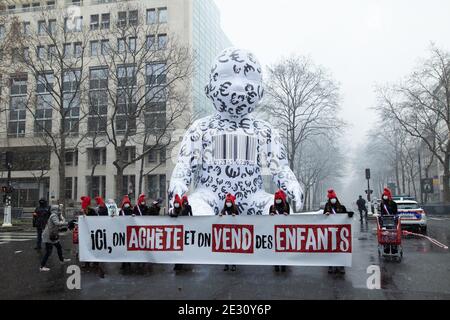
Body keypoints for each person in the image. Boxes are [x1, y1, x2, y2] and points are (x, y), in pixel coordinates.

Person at [323, 189, 348, 275]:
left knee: (340, 249)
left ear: (336, 199)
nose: (332, 200)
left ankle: (341, 266)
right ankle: (330, 265)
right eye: (331, 198)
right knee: (330, 249)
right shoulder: (327, 206)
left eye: (333, 198)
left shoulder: (341, 207)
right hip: (330, 232)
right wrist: (325, 214)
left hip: (340, 232)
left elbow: (346, 216)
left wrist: (349, 214)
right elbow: (322, 218)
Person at [39, 205, 71, 271]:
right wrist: (67, 223)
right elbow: (57, 223)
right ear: (55, 209)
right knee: (48, 252)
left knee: (59, 247)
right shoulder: (53, 215)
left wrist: (62, 218)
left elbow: (60, 223)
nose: (60, 210)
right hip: (49, 236)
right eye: (58, 209)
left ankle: (62, 260)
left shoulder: (57, 215)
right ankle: (42, 266)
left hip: (53, 235)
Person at [269, 190, 290, 272]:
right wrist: (271, 215)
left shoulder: (286, 206)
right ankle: (276, 264)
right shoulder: (272, 207)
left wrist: (286, 215)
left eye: (279, 199)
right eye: (276, 199)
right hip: (274, 231)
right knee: (275, 249)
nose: (278, 200)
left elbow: (289, 217)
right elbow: (268, 219)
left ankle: (284, 263)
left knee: (283, 248)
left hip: (284, 231)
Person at [219, 194, 239, 272]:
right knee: (226, 250)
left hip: (233, 232)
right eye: (227, 202)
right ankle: (226, 264)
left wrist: (235, 216)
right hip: (226, 232)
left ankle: (234, 264)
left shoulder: (235, 210)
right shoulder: (223, 210)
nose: (228, 203)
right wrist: (220, 216)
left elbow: (239, 219)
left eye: (229, 201)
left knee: (233, 249)